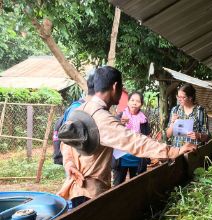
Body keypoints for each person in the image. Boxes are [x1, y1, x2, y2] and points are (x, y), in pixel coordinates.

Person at [57, 66, 196, 200]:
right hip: (90, 194)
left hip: (75, 190)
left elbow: (66, 143)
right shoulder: (102, 118)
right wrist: (175, 151)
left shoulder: (79, 110)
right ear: (115, 86)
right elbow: (135, 142)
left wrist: (69, 164)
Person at [112, 91, 150, 186]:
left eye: (138, 101)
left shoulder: (144, 119)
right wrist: (120, 124)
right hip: (121, 158)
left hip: (137, 158)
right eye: (132, 100)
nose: (134, 103)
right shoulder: (120, 117)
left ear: (141, 104)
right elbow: (112, 135)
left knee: (137, 186)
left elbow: (147, 138)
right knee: (118, 186)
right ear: (128, 102)